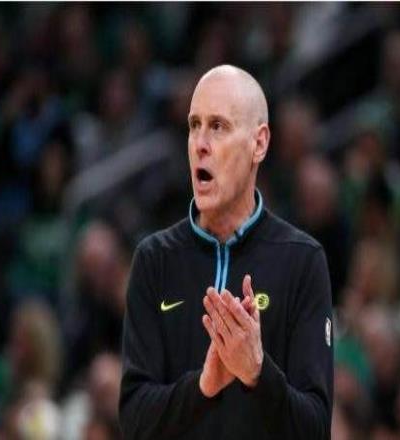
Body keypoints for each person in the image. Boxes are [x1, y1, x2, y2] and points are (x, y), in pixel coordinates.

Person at [119, 64, 333, 439]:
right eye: (194, 125)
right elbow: (134, 421)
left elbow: (315, 428)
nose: (200, 143)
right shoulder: (154, 260)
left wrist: (257, 373)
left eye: (218, 126)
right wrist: (203, 387)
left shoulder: (302, 260)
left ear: (259, 144)